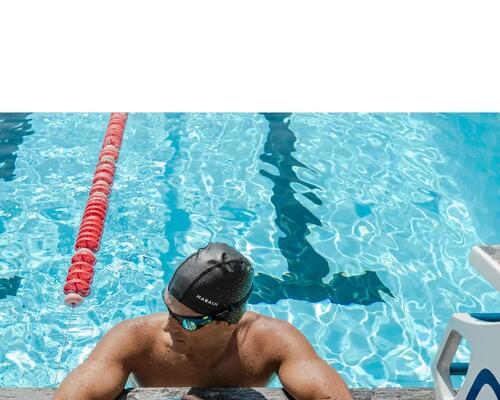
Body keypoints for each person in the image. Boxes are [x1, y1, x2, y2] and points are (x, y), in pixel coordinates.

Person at [54, 242, 352, 400]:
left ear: (228, 321)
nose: (169, 327)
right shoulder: (134, 339)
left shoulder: (272, 342)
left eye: (187, 322)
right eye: (169, 310)